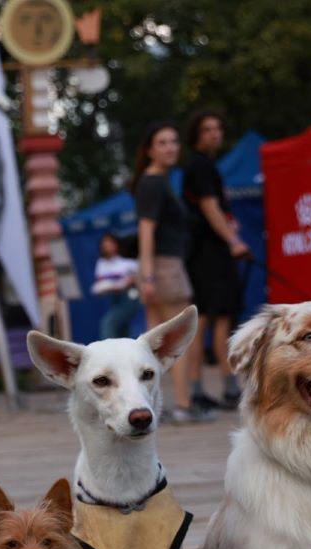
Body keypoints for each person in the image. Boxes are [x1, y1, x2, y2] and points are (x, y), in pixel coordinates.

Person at [132, 121, 213, 423]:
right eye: (163, 142)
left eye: (174, 141)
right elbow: (146, 230)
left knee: (152, 347)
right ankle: (182, 405)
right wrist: (150, 275)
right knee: (179, 343)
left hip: (158, 266)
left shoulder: (154, 181)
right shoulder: (153, 182)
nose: (170, 147)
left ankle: (163, 406)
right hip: (165, 267)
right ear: (150, 150)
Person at [182, 109, 250, 409]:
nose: (215, 134)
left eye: (218, 128)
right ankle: (211, 387)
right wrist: (233, 240)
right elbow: (210, 208)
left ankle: (218, 386)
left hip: (210, 252)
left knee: (217, 319)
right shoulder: (199, 166)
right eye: (208, 129)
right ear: (196, 134)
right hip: (208, 255)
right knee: (211, 319)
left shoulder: (206, 166)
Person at [92, 233, 141, 340]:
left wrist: (130, 281)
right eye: (104, 245)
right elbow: (100, 284)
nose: (107, 247)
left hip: (129, 298)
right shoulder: (101, 263)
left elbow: (136, 278)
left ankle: (108, 353)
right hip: (114, 299)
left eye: (110, 244)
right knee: (123, 330)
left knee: (108, 323)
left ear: (116, 244)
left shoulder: (127, 260)